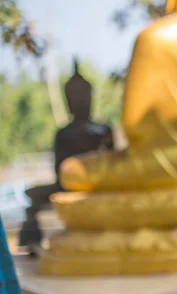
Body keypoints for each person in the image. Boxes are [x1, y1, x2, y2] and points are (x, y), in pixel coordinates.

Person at [18, 60, 113, 254]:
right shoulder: (65, 133)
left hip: (100, 185)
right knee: (32, 194)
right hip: (69, 184)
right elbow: (59, 170)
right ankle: (32, 244)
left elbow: (113, 162)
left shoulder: (101, 130)